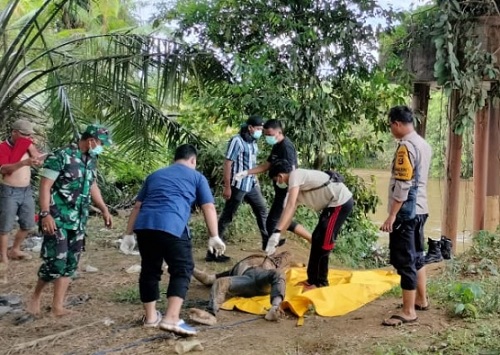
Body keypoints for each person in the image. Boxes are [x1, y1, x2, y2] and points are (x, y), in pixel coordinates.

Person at [123, 144, 226, 337]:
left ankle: (151, 318)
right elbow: (209, 207)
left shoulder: (154, 175)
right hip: (172, 225)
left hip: (145, 225)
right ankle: (171, 318)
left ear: (175, 158)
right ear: (193, 160)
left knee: (150, 269)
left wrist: (128, 233)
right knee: (183, 268)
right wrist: (214, 235)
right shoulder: (197, 177)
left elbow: (137, 206)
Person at [27, 124, 113, 317]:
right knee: (55, 262)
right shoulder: (61, 156)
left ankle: (58, 306)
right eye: (101, 143)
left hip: (79, 221)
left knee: (70, 263)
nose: (102, 147)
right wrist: (45, 214)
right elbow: (45, 187)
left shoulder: (90, 159)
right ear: (91, 140)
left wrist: (104, 209)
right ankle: (36, 296)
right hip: (57, 219)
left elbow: (92, 186)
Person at [265, 160, 354, 291]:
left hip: (341, 202)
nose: (278, 183)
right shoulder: (292, 192)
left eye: (277, 180)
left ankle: (321, 282)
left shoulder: (296, 175)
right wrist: (275, 238)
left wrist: (277, 231)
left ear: (280, 176)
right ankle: (312, 279)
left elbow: (290, 206)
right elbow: (287, 216)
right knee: (317, 238)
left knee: (325, 242)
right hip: (330, 205)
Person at [380, 105, 432, 326]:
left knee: (405, 260)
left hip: (407, 213)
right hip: (421, 209)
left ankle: (409, 310)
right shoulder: (423, 144)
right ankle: (421, 299)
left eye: (391, 125)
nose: (392, 130)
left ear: (397, 124)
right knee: (417, 255)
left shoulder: (406, 147)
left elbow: (403, 184)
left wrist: (392, 215)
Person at [235, 119, 311, 249]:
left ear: (279, 132)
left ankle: (271, 250)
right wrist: (247, 172)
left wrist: (290, 194)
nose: (267, 137)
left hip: (286, 190)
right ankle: (311, 239)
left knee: (271, 222)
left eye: (270, 134)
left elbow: (293, 172)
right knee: (282, 220)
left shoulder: (286, 147)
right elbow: (267, 165)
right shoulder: (276, 145)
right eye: (265, 134)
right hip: (280, 189)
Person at [209, 115, 268, 262]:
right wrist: (227, 187)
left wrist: (256, 181)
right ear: (250, 128)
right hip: (238, 185)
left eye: (261, 129)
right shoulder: (237, 141)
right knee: (227, 216)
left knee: (262, 210)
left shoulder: (254, 142)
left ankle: (268, 244)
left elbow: (253, 165)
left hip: (251, 184)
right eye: (259, 129)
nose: (260, 132)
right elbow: (228, 163)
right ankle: (213, 252)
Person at [191, 251, 293, 323]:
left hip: (258, 276)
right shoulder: (236, 269)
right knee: (218, 281)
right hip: (244, 275)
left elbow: (287, 258)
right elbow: (208, 279)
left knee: (278, 273)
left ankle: (275, 308)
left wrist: (272, 258)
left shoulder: (273, 263)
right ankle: (211, 314)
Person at [0, 119, 45, 281]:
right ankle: (3, 255)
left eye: (29, 135)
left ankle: (15, 249)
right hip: (9, 190)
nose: (28, 137)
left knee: (28, 224)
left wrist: (38, 159)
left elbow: (38, 160)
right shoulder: (3, 147)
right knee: (5, 226)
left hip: (26, 190)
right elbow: (5, 169)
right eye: (25, 134)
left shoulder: (27, 144)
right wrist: (23, 162)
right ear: (14, 133)